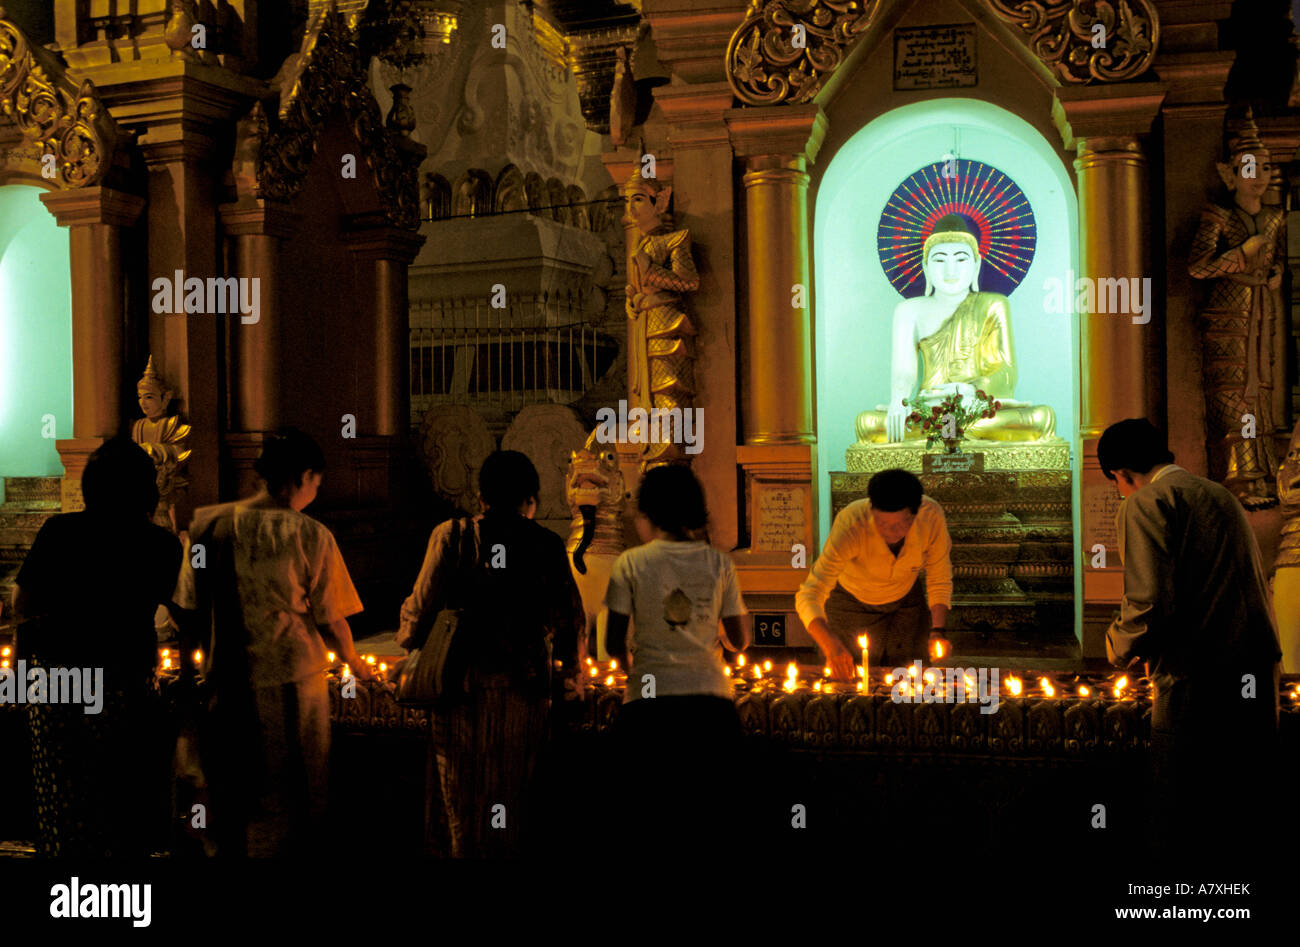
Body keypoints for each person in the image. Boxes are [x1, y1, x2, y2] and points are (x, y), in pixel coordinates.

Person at [176, 427, 373, 857]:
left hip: (223, 681)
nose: (314, 494)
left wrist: (195, 671)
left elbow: (188, 608)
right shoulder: (309, 534)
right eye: (316, 485)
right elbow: (331, 618)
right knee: (290, 797)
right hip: (291, 682)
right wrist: (355, 664)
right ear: (302, 477)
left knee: (231, 797)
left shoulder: (207, 526)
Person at [1099, 418, 1282, 866]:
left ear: (1121, 474)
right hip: (1255, 664)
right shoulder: (1219, 494)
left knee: (1182, 806)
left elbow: (1147, 603)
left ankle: (1182, 906)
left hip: (1197, 674)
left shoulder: (1146, 501)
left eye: (1116, 485)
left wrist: (1115, 648)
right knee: (1245, 802)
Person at [398, 449, 585, 857]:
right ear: (529, 500)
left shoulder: (451, 535)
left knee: (461, 803)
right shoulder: (545, 544)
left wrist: (409, 644)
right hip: (523, 689)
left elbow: (419, 609)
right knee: (510, 799)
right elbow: (570, 619)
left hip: (457, 690)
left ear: (480, 496)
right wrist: (572, 674)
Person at [11, 437, 182, 857]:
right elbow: (187, 614)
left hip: (58, 687)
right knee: (120, 803)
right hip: (123, 687)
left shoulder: (60, 531)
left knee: (65, 805)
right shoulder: (159, 544)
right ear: (146, 488)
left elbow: (22, 605)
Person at [603, 464, 751, 843]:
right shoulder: (720, 563)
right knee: (710, 816)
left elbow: (612, 643)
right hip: (710, 705)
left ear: (647, 513)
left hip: (649, 707)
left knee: (651, 818)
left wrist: (632, 665)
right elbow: (740, 639)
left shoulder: (630, 563)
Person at [796, 468, 952, 679]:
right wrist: (830, 644)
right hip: (851, 604)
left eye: (899, 525)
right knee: (851, 682)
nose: (890, 532)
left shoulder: (930, 517)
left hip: (906, 602)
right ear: (872, 510)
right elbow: (810, 592)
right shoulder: (851, 524)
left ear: (915, 514)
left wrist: (937, 631)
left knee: (910, 683)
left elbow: (938, 577)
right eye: (882, 524)